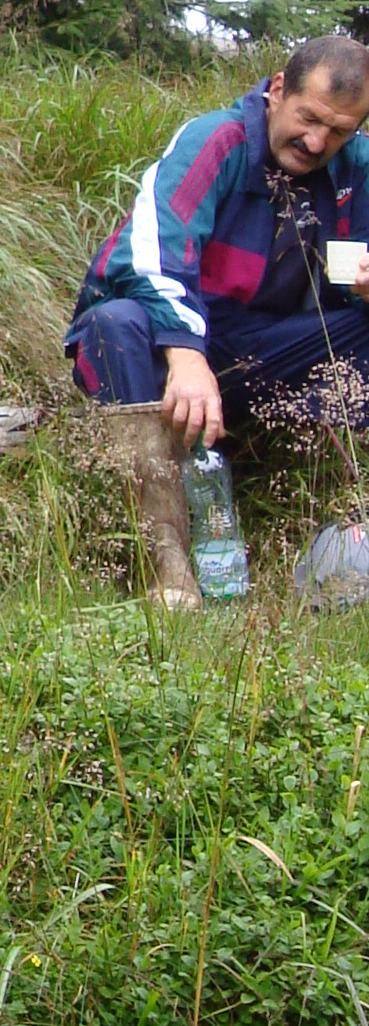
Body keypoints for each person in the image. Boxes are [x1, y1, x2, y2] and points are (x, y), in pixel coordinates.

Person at [65, 30, 369, 606]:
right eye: (308, 118)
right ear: (277, 89)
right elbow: (152, 255)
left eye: (339, 131)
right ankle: (167, 561)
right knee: (114, 325)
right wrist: (186, 353)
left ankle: (344, 520)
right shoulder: (216, 141)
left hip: (261, 353)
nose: (316, 141)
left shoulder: (358, 170)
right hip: (161, 346)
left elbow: (343, 288)